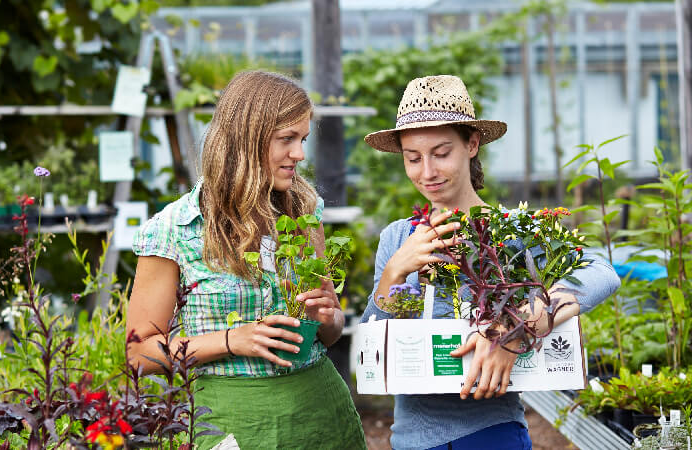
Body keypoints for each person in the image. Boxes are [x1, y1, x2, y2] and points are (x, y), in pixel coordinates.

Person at [360, 75, 620, 450]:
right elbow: (375, 343)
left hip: (491, 433)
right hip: (411, 438)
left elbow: (601, 274)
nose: (427, 172)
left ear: (472, 144)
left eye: (441, 152)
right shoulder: (398, 238)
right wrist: (393, 272)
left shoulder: (512, 231)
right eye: (413, 158)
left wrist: (516, 326)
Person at [127, 70, 366, 450]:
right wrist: (230, 340)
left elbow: (331, 332)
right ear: (245, 140)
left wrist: (327, 316)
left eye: (302, 139)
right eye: (286, 139)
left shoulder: (304, 210)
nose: (300, 154)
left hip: (319, 415)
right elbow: (140, 354)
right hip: (226, 423)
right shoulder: (174, 229)